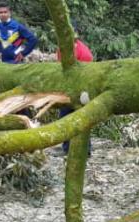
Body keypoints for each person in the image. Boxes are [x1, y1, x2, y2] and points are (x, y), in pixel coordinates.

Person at [56, 26, 93, 154]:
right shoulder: (64, 48)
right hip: (71, 87)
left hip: (80, 88)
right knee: (69, 118)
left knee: (75, 118)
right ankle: (72, 148)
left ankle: (82, 149)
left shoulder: (80, 49)